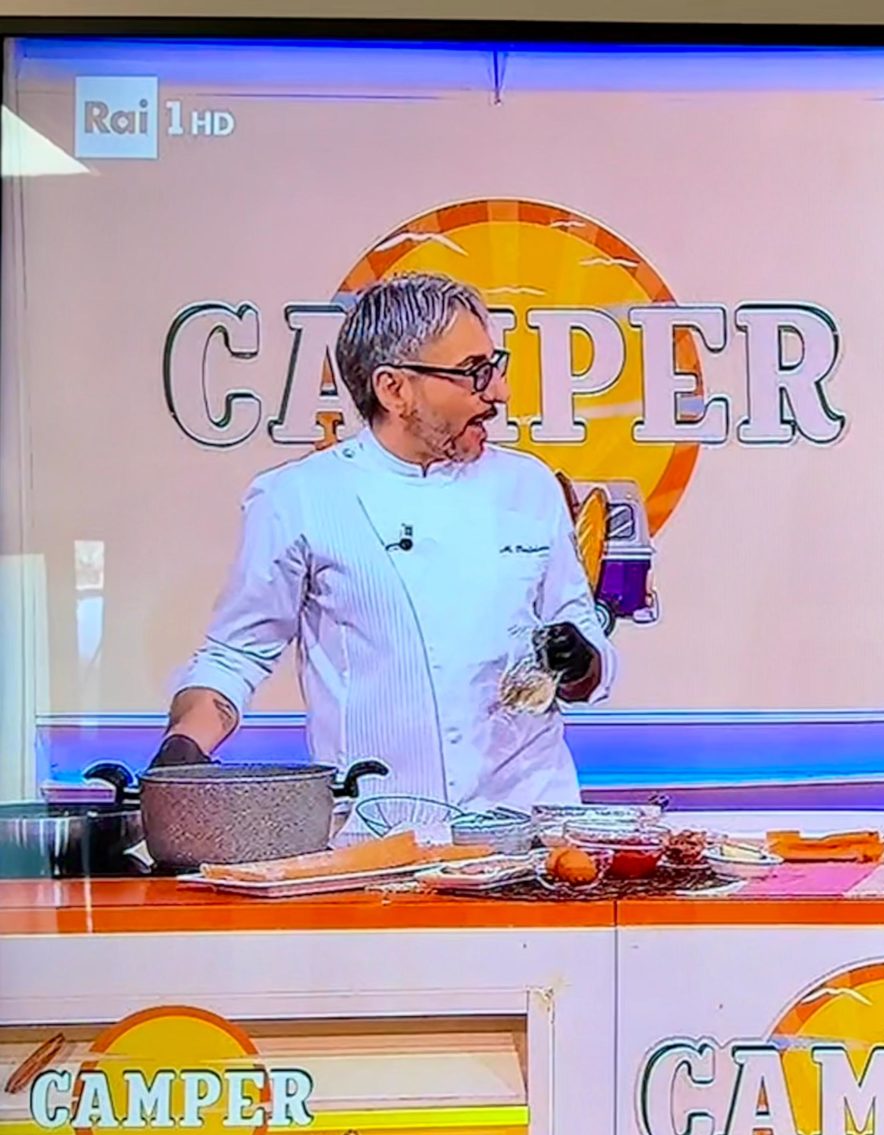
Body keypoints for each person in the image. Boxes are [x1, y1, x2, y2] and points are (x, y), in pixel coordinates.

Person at [149, 272, 617, 812]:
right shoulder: (299, 498)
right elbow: (235, 655)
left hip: (529, 825)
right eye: (474, 373)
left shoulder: (528, 486)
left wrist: (580, 660)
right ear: (394, 389)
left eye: (494, 366)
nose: (498, 393)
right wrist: (183, 748)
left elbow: (582, 641)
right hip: (382, 829)